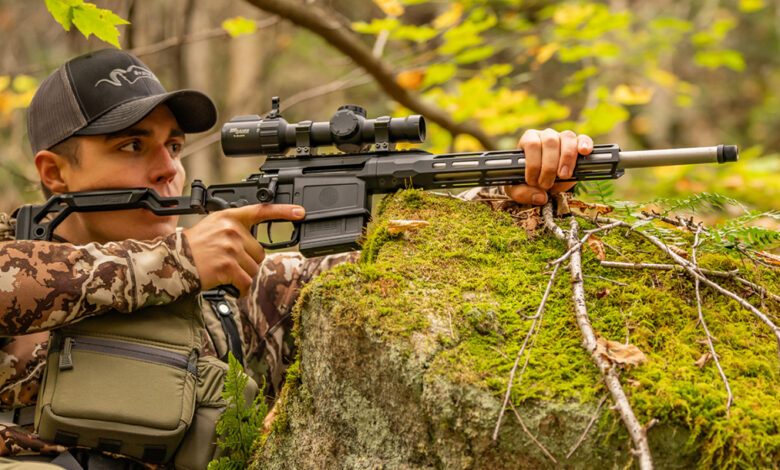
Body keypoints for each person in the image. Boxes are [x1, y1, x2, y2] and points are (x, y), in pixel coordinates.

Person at [0, 48, 593, 467]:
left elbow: (385, 277)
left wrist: (508, 191)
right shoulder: (25, 256)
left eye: (174, 145)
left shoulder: (233, 288)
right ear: (55, 173)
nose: (168, 169)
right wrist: (175, 260)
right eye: (132, 146)